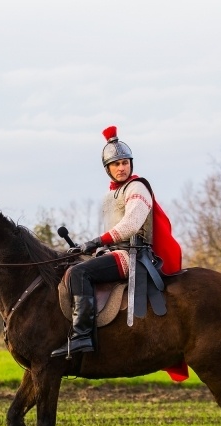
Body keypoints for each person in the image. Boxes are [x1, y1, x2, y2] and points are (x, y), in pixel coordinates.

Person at [51, 126, 182, 357]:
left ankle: (82, 336)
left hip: (133, 256)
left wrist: (94, 241)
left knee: (79, 274)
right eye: (116, 164)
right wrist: (91, 248)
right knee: (72, 266)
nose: (121, 168)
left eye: (124, 163)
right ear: (107, 169)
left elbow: (130, 225)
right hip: (115, 252)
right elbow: (112, 232)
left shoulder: (137, 187)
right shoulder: (111, 195)